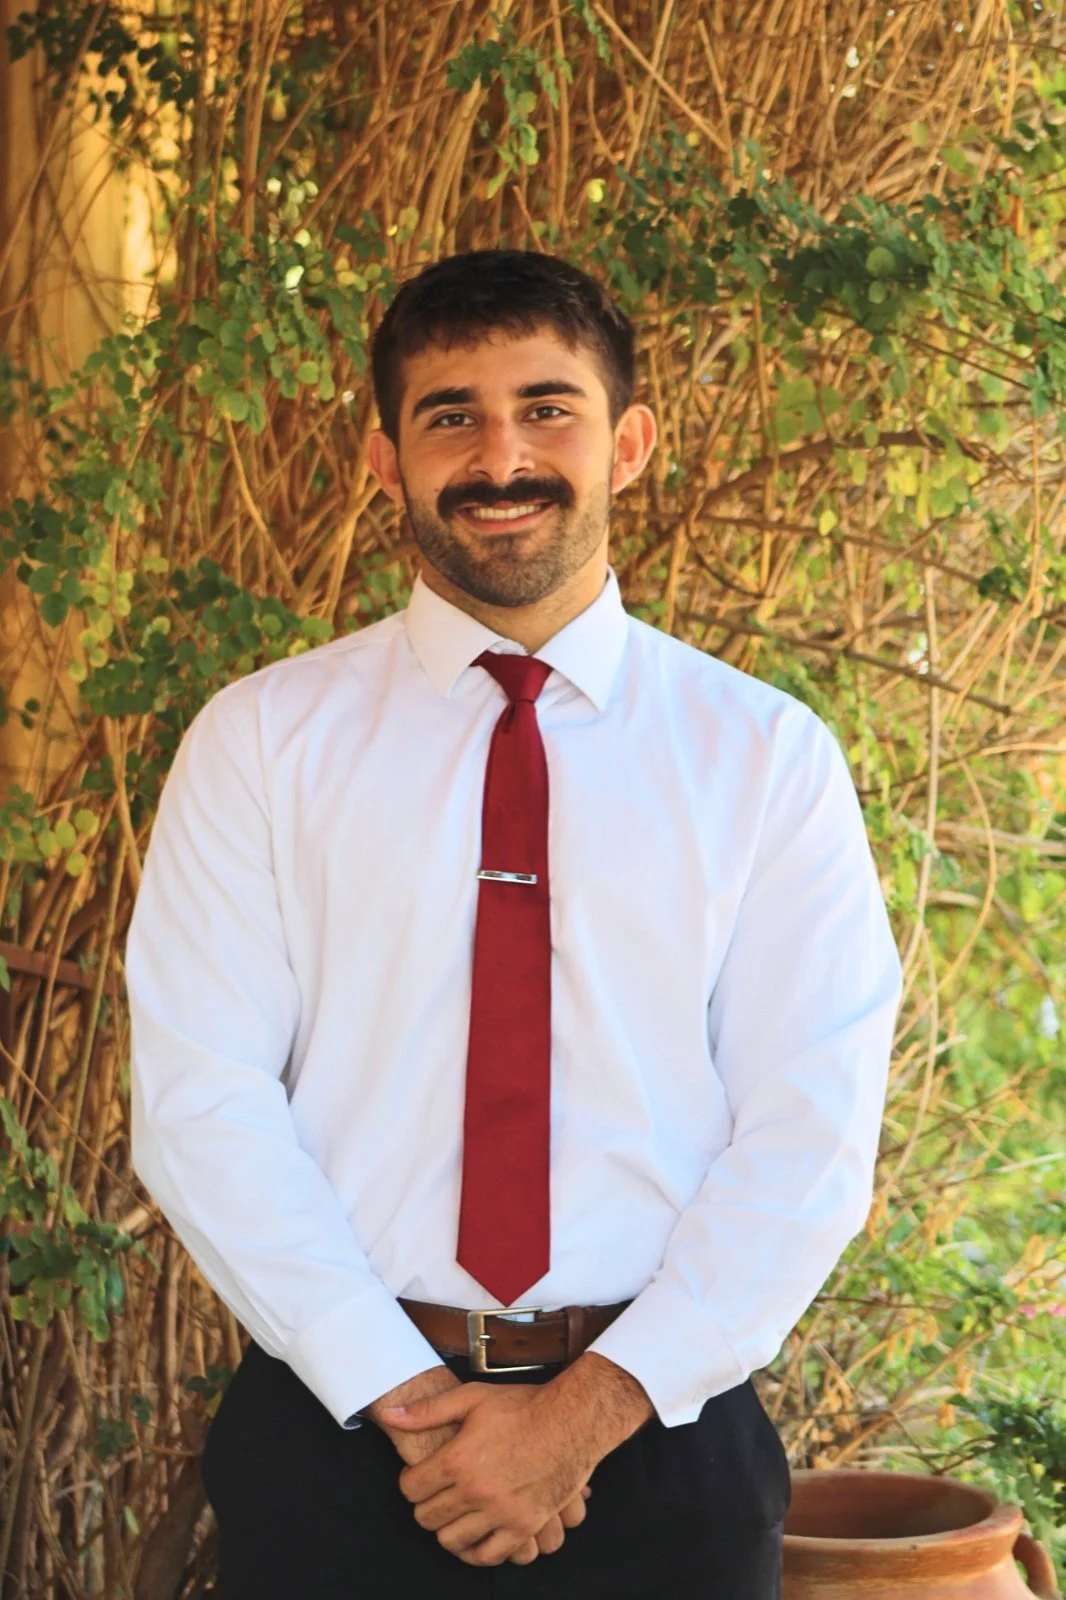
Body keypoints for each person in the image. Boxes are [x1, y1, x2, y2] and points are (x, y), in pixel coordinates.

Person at [125, 248, 903, 1599]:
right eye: (453, 416)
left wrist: (585, 1413)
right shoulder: (259, 744)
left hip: (659, 1443)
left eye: (547, 408)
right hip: (339, 1441)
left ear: (628, 443)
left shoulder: (766, 757)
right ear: (386, 460)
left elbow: (809, 1134)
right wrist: (404, 1395)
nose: (501, 457)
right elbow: (203, 1103)